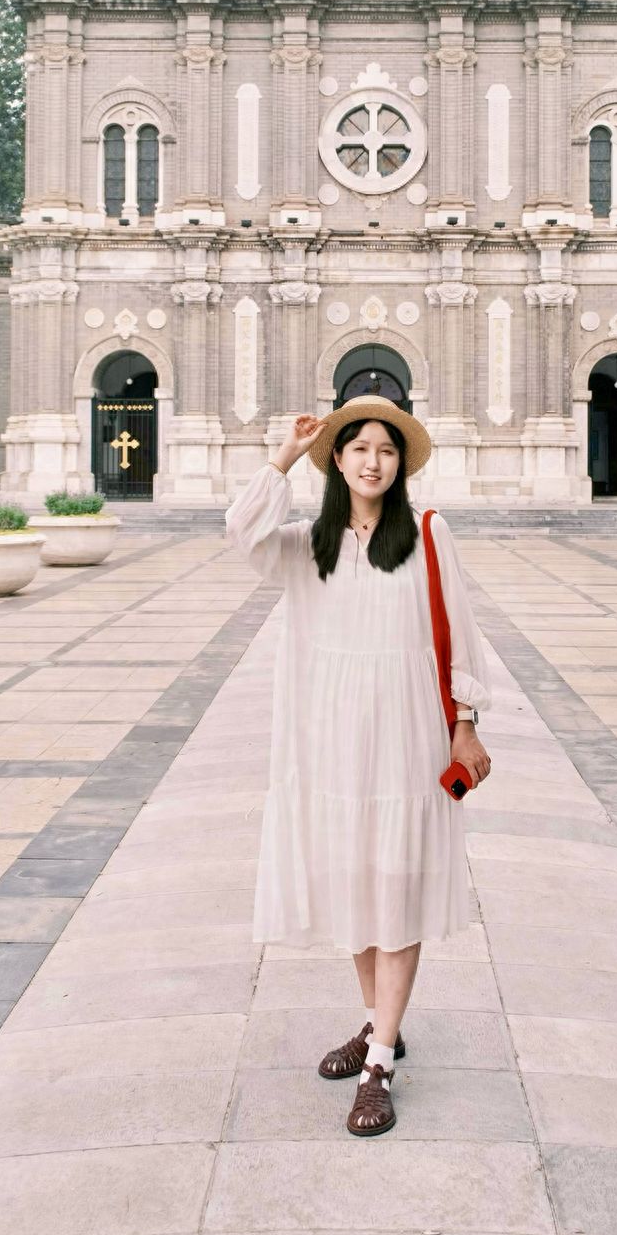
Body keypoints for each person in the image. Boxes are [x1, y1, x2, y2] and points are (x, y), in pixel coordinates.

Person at [224, 398, 492, 1139]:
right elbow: (240, 532)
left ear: (400, 464)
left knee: (396, 887)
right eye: (359, 449)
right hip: (330, 742)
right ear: (338, 463)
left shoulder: (429, 536)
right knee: (354, 883)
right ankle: (383, 1023)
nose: (373, 461)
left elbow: (461, 636)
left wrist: (463, 722)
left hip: (406, 740)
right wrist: (283, 455)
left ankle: (379, 1059)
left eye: (386, 450)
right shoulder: (309, 544)